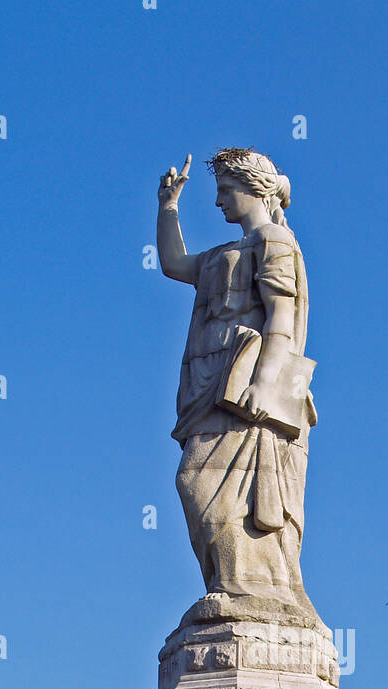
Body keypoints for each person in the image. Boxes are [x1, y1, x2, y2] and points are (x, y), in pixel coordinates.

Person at [156, 146, 317, 615]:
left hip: (247, 388)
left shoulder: (274, 242)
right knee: (194, 481)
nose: (218, 201)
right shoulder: (222, 254)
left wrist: (264, 386)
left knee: (203, 483)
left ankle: (250, 590)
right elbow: (173, 264)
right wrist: (168, 208)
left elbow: (281, 314)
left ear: (255, 190)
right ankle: (232, 585)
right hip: (211, 386)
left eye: (226, 190)